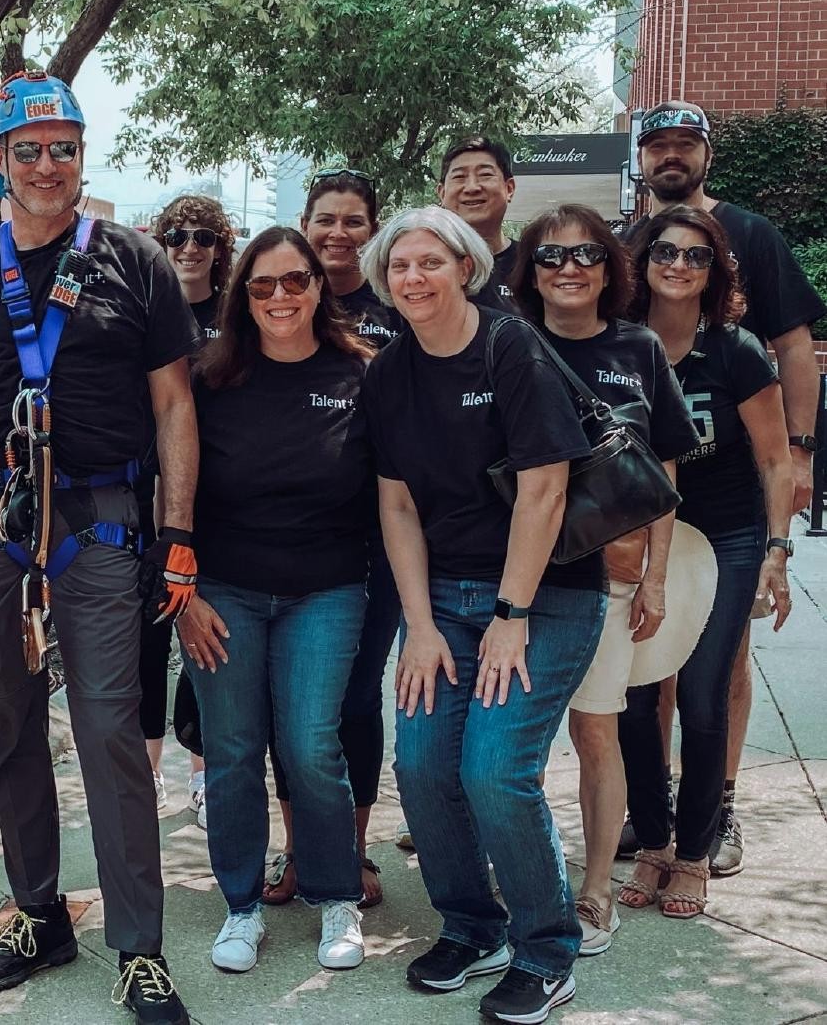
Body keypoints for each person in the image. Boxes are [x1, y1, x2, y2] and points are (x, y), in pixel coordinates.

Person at [0, 69, 199, 1024]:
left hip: (101, 526)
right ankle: (38, 913)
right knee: (10, 725)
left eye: (61, 148)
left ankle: (140, 948)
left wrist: (179, 534)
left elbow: (173, 405)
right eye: (25, 151)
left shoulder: (134, 260)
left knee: (112, 730)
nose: (45, 165)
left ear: (81, 154)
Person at [358, 206, 606, 1025]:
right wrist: (419, 626)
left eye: (431, 261)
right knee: (424, 766)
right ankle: (473, 927)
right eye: (399, 266)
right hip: (444, 605)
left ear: (465, 267)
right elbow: (396, 506)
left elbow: (547, 488)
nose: (414, 278)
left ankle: (547, 951)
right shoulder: (389, 373)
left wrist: (512, 611)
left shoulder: (510, 347)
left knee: (494, 770)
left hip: (545, 597)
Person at [633, 101, 824, 876]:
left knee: (720, 664)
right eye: (658, 145)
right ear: (641, 157)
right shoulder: (621, 247)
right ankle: (661, 810)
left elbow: (793, 346)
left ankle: (722, 807)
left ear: (706, 155)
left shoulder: (752, 235)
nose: (671, 156)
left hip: (733, 503)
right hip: (645, 518)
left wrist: (803, 453)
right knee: (650, 672)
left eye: (686, 144)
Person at [179, 225, 373, 975]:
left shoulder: (361, 372)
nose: (280, 297)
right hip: (221, 591)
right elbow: (175, 488)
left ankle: (335, 898)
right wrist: (184, 592)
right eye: (263, 285)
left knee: (309, 747)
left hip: (324, 591)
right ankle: (241, 905)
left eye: (295, 281)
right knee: (231, 753)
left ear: (320, 288)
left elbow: (394, 493)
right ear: (243, 296)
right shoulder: (210, 375)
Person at [507, 205, 699, 955]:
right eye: (551, 258)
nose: (569, 269)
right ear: (530, 273)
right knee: (509, 746)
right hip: (521, 582)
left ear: (608, 266)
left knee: (597, 730)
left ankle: (592, 890)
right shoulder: (506, 343)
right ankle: (522, 874)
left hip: (611, 580)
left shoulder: (638, 347)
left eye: (586, 254)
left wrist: (654, 574)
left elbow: (664, 467)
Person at [616, 206, 793, 922]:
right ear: (642, 260)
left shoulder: (737, 351)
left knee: (700, 693)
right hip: (638, 538)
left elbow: (777, 461)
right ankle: (653, 841)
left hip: (725, 538)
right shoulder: (620, 346)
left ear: (714, 270)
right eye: (665, 251)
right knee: (631, 695)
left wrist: (777, 551)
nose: (679, 265)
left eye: (696, 256)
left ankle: (694, 851)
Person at [267, 168, 402, 910]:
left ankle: (351, 851)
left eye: (354, 220)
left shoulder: (396, 304)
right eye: (325, 219)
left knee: (352, 701)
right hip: (291, 550)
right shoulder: (286, 300)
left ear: (373, 227)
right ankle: (297, 849)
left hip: (375, 548)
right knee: (290, 708)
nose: (338, 234)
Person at [146, 194, 234, 823]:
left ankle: (205, 773)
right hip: (151, 494)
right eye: (176, 236)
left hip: (224, 500)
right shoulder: (143, 310)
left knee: (210, 639)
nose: (189, 248)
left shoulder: (240, 317)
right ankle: (147, 777)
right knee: (149, 638)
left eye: (203, 237)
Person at [436, 137, 520, 312]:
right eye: (459, 177)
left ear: (509, 189)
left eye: (485, 175)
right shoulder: (422, 264)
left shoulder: (532, 263)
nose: (472, 187)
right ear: (442, 193)